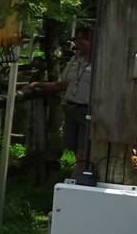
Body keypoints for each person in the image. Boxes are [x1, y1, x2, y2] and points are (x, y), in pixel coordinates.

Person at [27, 25, 92, 163]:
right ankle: (80, 168)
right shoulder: (74, 60)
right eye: (76, 39)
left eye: (81, 39)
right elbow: (61, 85)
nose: (77, 42)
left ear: (91, 41)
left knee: (83, 149)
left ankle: (80, 171)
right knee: (72, 145)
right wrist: (37, 84)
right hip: (70, 109)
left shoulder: (100, 64)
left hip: (87, 111)